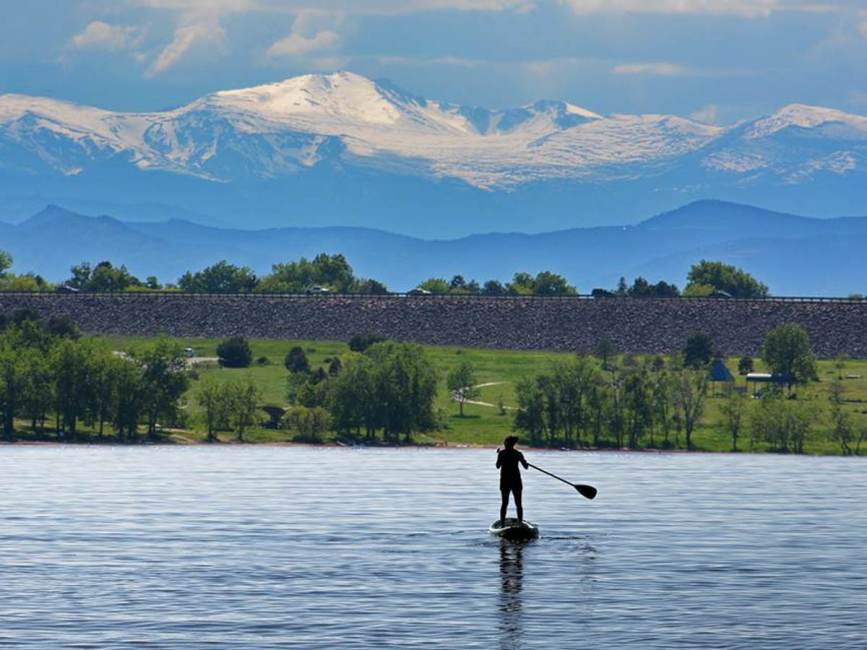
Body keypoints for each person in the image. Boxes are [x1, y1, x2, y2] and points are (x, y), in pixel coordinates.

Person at [496, 435, 529, 525]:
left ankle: (502, 523)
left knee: (504, 503)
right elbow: (526, 467)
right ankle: (520, 523)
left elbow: (497, 466)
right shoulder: (518, 454)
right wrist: (525, 462)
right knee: (518, 504)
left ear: (507, 443)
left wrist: (499, 455)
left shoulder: (502, 453)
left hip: (505, 481)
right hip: (516, 481)